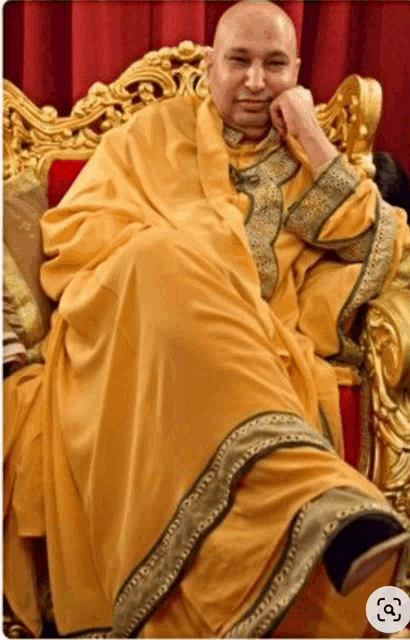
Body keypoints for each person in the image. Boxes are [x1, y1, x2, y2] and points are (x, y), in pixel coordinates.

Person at [4, 1, 410, 637]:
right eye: (238, 62)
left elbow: (376, 240)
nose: (254, 81)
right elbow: (74, 236)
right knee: (165, 253)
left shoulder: (309, 160)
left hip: (247, 344)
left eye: (274, 65)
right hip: (137, 334)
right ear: (210, 69)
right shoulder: (149, 134)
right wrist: (193, 253)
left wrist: (310, 134)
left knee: (200, 291)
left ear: (297, 73)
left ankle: (305, 527)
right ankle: (320, 497)